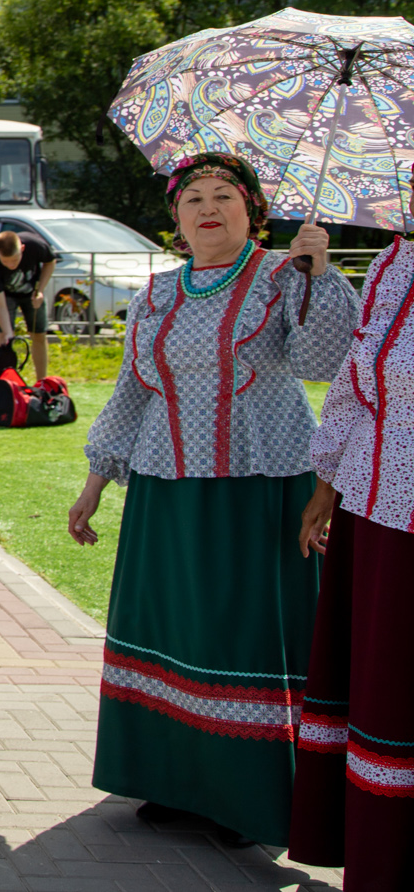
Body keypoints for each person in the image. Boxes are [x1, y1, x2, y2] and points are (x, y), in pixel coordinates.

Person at [67, 151, 355, 848]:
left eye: (225, 195)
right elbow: (134, 390)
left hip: (259, 487)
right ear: (176, 217)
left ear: (253, 211)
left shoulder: (285, 276)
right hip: (166, 490)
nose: (208, 208)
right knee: (175, 632)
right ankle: (173, 782)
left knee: (241, 634)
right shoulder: (158, 293)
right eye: (193, 197)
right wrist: (95, 481)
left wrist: (319, 273)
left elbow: (325, 364)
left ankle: (245, 797)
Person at [288, 235, 414, 885]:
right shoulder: (394, 263)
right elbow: (354, 384)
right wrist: (327, 484)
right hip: (372, 505)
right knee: (379, 680)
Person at [0, 227, 57, 383]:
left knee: (39, 334)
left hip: (31, 293)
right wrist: (8, 333)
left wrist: (40, 290)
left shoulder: (36, 245)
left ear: (22, 249)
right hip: (6, 297)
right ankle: (5, 384)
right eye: (5, 261)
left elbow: (50, 262)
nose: (10, 265)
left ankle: (41, 382)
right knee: (4, 339)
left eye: (14, 260)